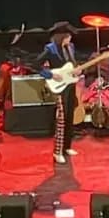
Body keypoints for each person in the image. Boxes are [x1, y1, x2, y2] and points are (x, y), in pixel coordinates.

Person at [34, 21, 81, 164]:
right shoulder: (50, 49)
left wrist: (78, 69)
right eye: (68, 36)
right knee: (61, 118)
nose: (70, 39)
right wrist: (51, 75)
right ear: (61, 37)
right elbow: (35, 65)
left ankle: (67, 147)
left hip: (70, 84)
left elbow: (72, 64)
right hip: (58, 85)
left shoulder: (70, 47)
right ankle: (57, 152)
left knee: (69, 115)